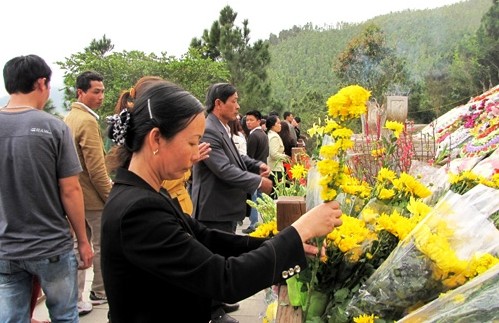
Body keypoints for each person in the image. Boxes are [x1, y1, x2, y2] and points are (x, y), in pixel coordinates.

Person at [101, 79, 343, 323]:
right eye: (192, 142)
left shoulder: (148, 194)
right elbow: (224, 279)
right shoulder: (138, 211)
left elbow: (208, 239)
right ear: (155, 139)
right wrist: (299, 230)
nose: (197, 153)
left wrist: (288, 244)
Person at [0, 54, 93, 322]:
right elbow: (71, 190)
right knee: (64, 315)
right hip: (51, 246)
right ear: (41, 83)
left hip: (6, 248)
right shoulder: (53, 127)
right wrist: (83, 242)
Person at [191, 84, 273, 322]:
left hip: (223, 207)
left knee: (220, 257)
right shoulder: (209, 130)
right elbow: (224, 170)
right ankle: (212, 313)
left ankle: (218, 301)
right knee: (213, 261)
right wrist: (258, 182)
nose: (238, 106)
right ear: (219, 103)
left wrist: (255, 165)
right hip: (213, 207)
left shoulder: (221, 127)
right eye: (234, 101)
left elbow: (236, 159)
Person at [64, 70, 112, 313]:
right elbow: (96, 168)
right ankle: (99, 291)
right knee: (101, 245)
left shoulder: (68, 118)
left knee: (75, 245)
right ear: (81, 92)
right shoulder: (87, 121)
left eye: (102, 91)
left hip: (72, 196)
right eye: (96, 91)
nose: (101, 96)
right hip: (92, 196)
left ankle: (75, 297)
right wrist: (110, 196)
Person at [244, 109, 270, 234]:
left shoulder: (253, 135)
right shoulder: (263, 134)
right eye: (247, 120)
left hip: (254, 171)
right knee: (261, 199)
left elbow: (249, 157)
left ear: (258, 121)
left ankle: (254, 223)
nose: (248, 123)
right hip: (262, 169)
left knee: (254, 200)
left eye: (251, 120)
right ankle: (265, 221)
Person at [266, 115, 289, 199]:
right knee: (275, 194)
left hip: (273, 168)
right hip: (275, 169)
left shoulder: (271, 134)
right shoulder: (274, 137)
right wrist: (285, 157)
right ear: (272, 125)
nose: (280, 125)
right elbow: (273, 154)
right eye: (278, 123)